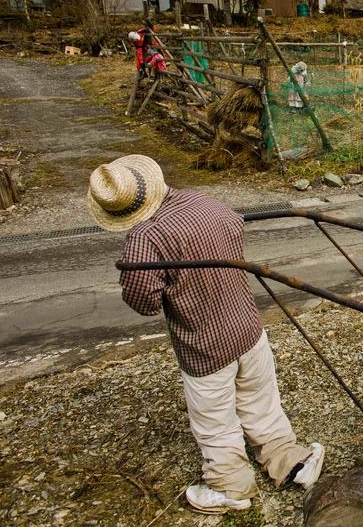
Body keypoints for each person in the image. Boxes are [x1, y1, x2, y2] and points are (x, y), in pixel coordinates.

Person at [87, 155, 324, 514]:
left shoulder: (144, 238)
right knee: (261, 401)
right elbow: (234, 237)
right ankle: (290, 460)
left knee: (215, 422)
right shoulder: (206, 203)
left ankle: (231, 488)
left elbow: (144, 302)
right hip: (247, 326)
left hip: (204, 344)